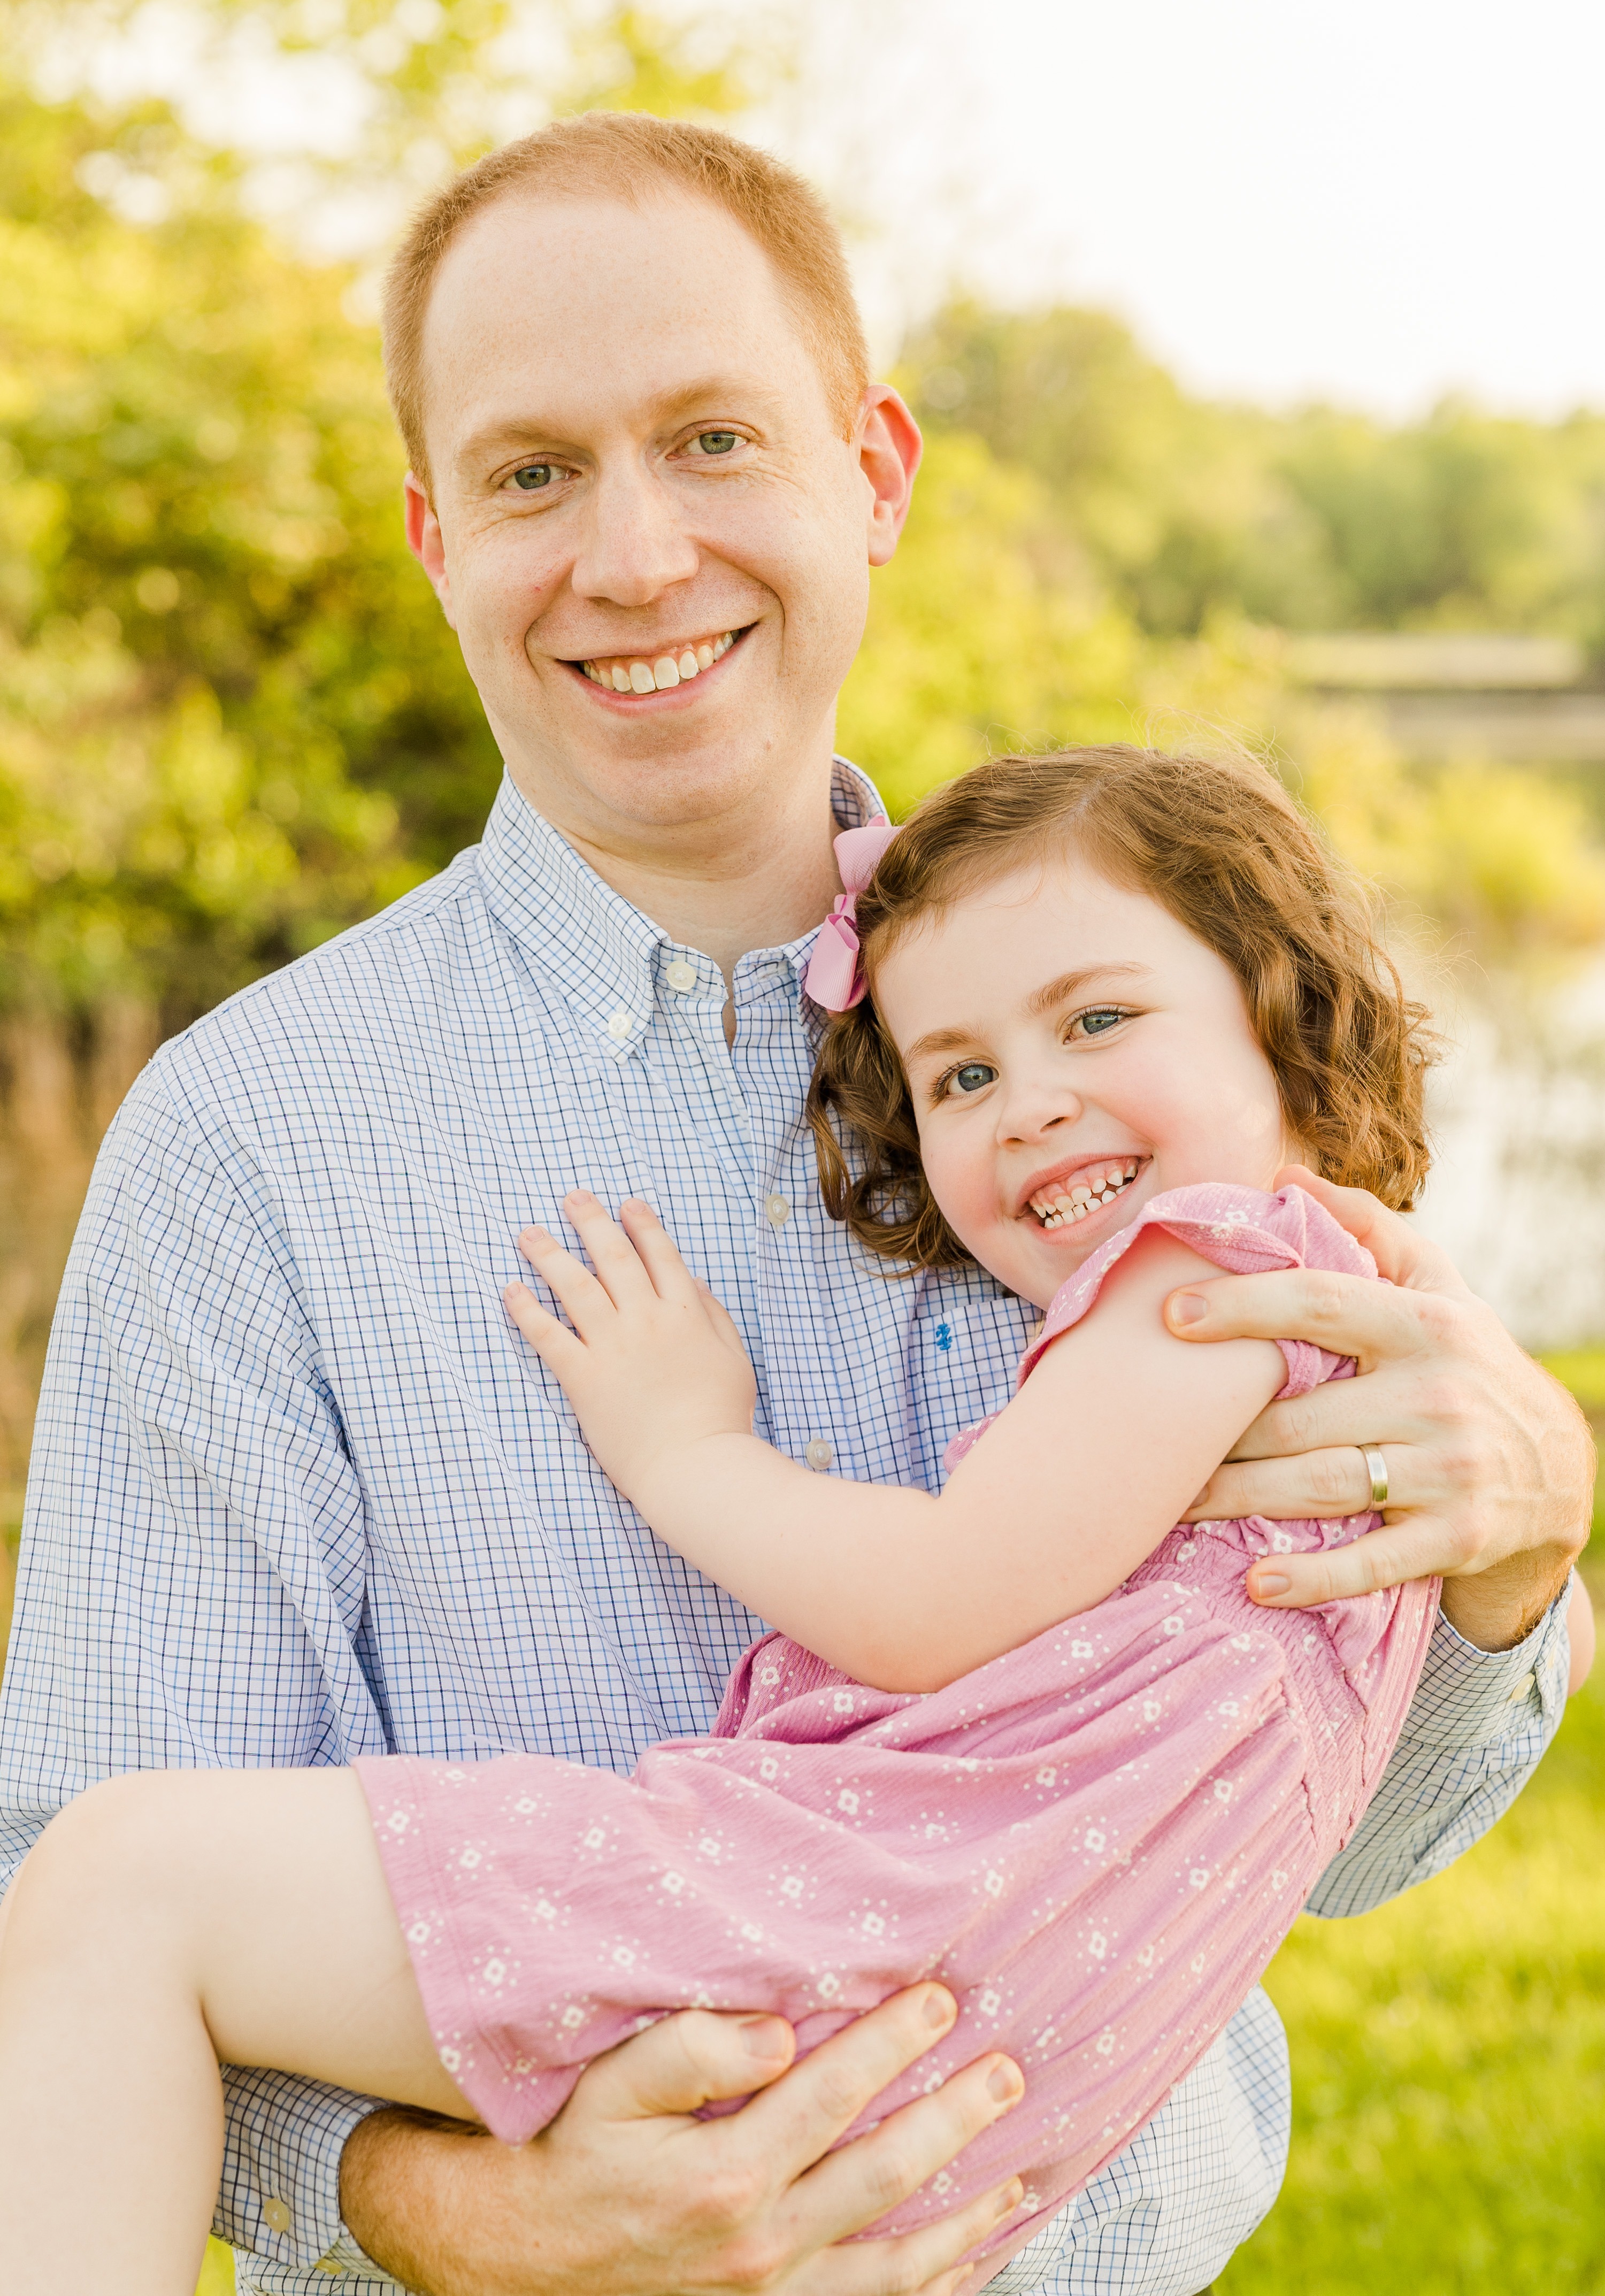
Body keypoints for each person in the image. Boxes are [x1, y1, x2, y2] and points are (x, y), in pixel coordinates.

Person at [0, 114, 1588, 2296]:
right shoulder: (247, 1142)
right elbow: (58, 1893)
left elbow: (1320, 1849)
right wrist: (450, 2213)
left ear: (876, 473)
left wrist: (1511, 1554)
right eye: (535, 472)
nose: (637, 556)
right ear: (432, 535)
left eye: (714, 437)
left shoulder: (1122, 1071)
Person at [0, 743, 1458, 2296]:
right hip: (955, 2046)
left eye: (1097, 1020)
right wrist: (429, 2207)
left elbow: (936, 1603)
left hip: (850, 1938)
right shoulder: (1373, 1325)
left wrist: (682, 1447)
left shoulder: (1204, 1279)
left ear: (1279, 1015)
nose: (1030, 1109)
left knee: (113, 1890)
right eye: (958, 1077)